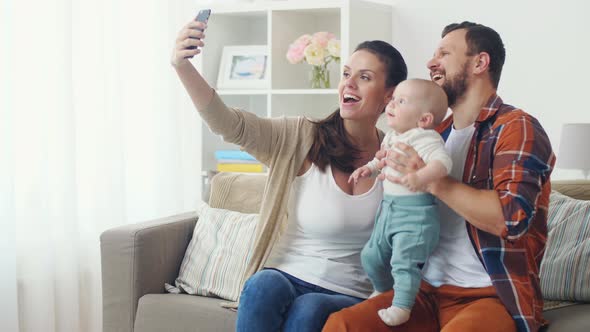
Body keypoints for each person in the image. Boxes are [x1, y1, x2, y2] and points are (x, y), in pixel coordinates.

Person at [171, 18, 408, 332]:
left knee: (310, 309)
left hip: (352, 292)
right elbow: (227, 124)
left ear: (389, 96)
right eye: (346, 74)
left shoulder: (395, 155)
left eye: (364, 77)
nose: (348, 84)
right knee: (261, 285)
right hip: (287, 274)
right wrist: (182, 65)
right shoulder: (300, 136)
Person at [323, 21, 555, 332]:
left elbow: (509, 220)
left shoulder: (515, 127)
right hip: (424, 290)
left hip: (489, 295)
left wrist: (434, 181)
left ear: (480, 63)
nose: (431, 62)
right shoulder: (432, 133)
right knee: (342, 325)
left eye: (444, 53)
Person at [348, 78, 451, 326]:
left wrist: (420, 177)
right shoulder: (393, 136)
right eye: (393, 99)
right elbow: (383, 160)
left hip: (416, 217)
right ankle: (384, 290)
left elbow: (443, 164)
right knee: (370, 256)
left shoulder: (426, 139)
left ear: (424, 119)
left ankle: (402, 306)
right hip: (388, 211)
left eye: (401, 101)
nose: (392, 104)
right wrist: (368, 168)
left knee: (403, 263)